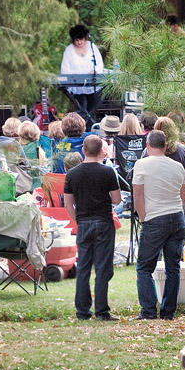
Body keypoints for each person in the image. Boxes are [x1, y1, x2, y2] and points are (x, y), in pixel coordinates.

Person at [64, 135, 122, 321]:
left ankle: (82, 311)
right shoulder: (107, 172)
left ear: (83, 151)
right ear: (100, 151)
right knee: (103, 268)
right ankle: (102, 310)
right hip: (103, 221)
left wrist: (78, 220)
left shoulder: (72, 174)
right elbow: (117, 199)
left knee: (83, 267)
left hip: (84, 222)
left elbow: (68, 204)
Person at [131, 130, 185, 320]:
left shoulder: (142, 164)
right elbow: (184, 197)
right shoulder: (178, 166)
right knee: (173, 267)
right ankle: (168, 311)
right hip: (177, 218)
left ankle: (148, 310)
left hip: (154, 218)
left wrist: (143, 217)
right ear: (165, 147)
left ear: (147, 146)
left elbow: (137, 195)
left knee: (145, 267)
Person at [60, 24, 104, 128]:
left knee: (92, 110)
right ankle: (81, 131)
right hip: (77, 88)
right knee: (81, 110)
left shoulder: (92, 47)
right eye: (77, 40)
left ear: (85, 38)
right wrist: (72, 75)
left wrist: (95, 71)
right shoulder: (69, 50)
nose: (79, 42)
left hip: (93, 86)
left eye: (81, 39)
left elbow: (100, 64)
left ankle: (91, 131)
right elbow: (65, 69)